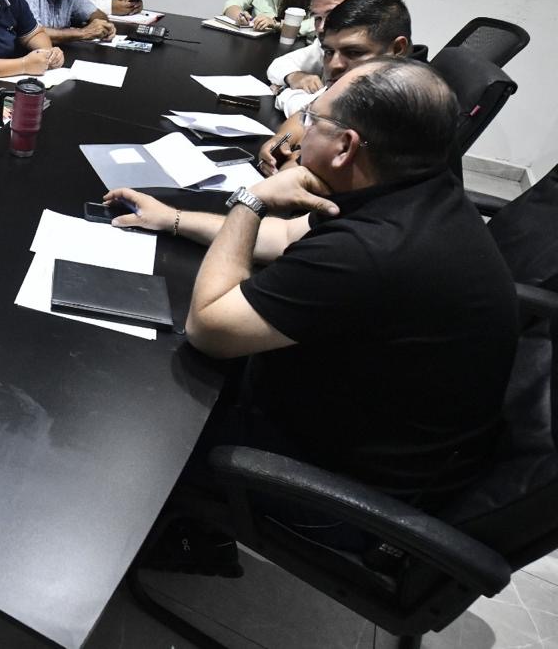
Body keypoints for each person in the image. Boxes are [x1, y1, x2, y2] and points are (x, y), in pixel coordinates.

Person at [109, 59, 517, 523]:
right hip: (367, 422)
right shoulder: (413, 187)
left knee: (131, 418)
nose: (300, 133)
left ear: (345, 147)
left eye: (312, 119)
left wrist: (252, 199)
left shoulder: (369, 251)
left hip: (345, 491)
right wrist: (173, 219)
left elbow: (208, 327)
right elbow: (286, 235)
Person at [258, 0, 415, 172]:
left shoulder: (409, 104)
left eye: (354, 52)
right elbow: (308, 113)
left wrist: (292, 163)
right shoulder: (361, 80)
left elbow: (320, 174)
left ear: (397, 49)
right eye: (329, 52)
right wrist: (279, 140)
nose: (334, 65)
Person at [265, 0, 374, 94]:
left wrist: (285, 92)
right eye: (317, 18)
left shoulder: (375, 61)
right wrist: (295, 77)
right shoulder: (323, 46)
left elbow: (329, 104)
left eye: (333, 15)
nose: (321, 28)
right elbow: (278, 65)